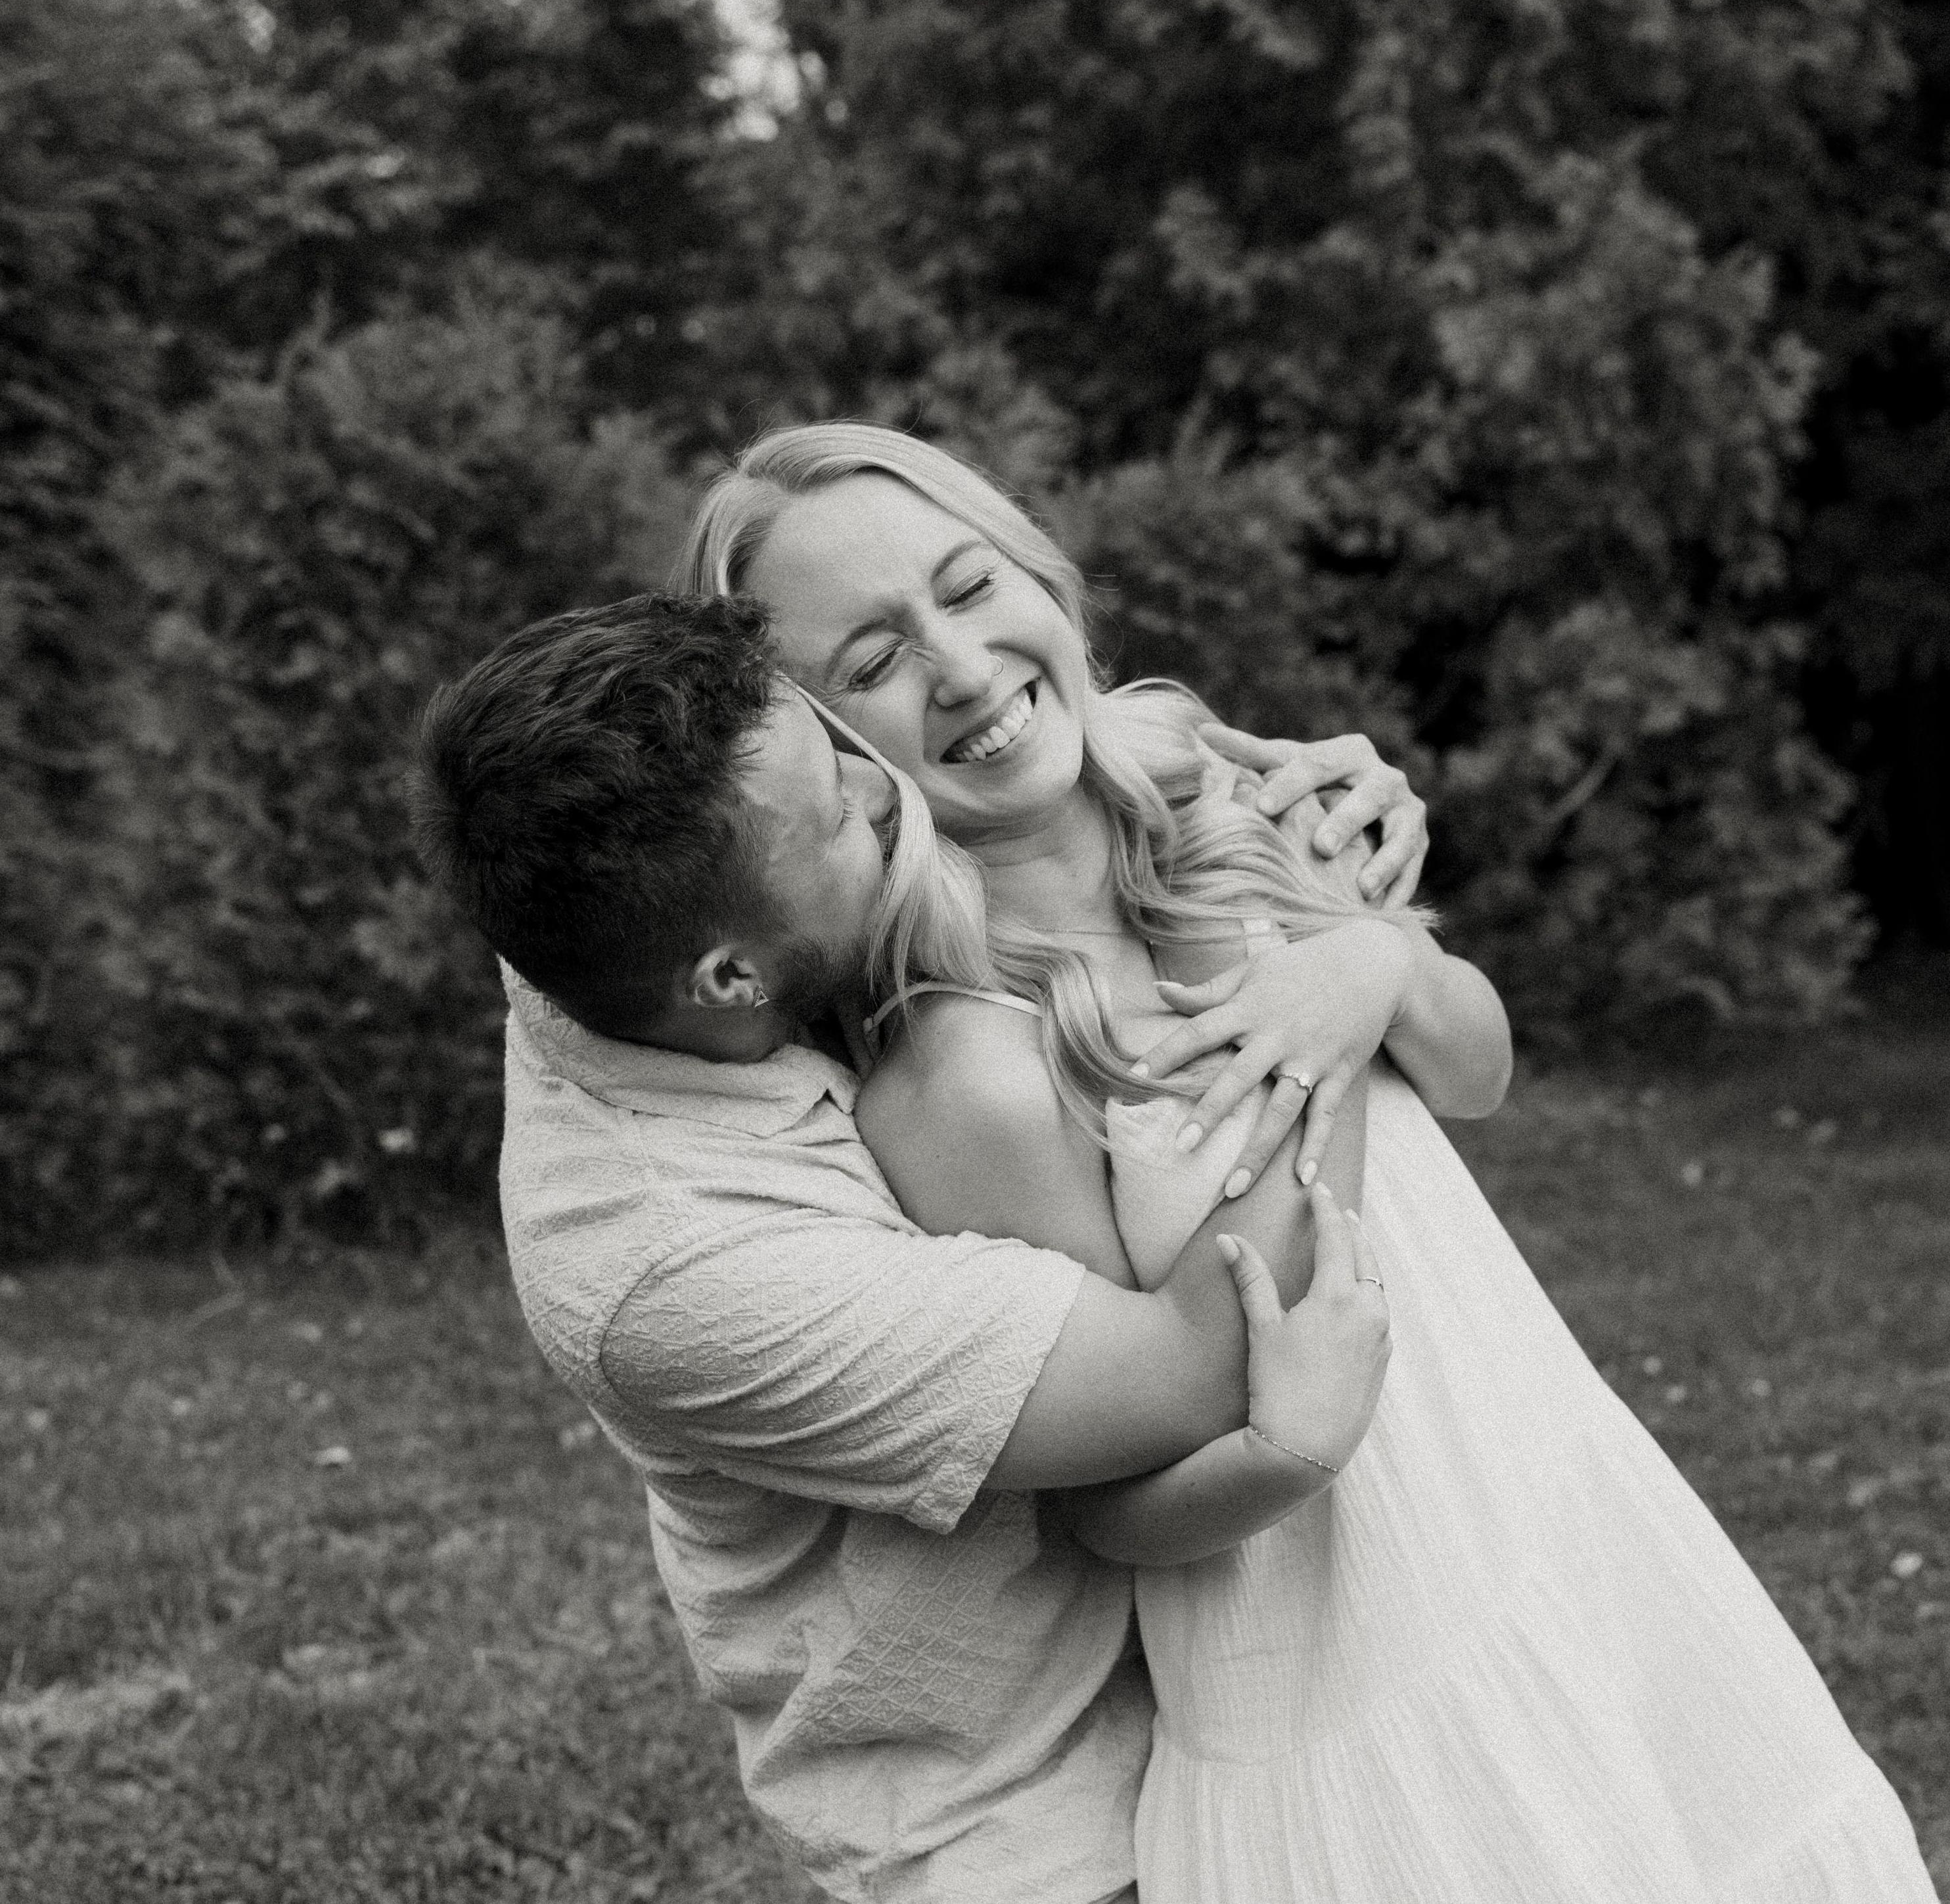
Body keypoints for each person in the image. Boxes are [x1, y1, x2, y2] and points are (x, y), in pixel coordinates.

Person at [677, 420, 1940, 1903]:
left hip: (1545, 1505)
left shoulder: (1208, 781)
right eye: (875, 661)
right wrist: (1292, 1450)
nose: (959, 666)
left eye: (968, 586)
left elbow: (1474, 1069)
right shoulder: (965, 1070)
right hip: (1339, 1651)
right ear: (815, 754)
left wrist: (1371, 968)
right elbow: (1106, 1505)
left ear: (1039, 574)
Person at [411, 591, 1420, 1904]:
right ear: (729, 981)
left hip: (1220, 1674)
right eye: (836, 813)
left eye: (829, 741)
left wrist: (1225, 782)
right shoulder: (677, 1268)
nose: (881, 789)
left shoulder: (613, 872)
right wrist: (1309, 953)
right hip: (1026, 1812)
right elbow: (1211, 1354)